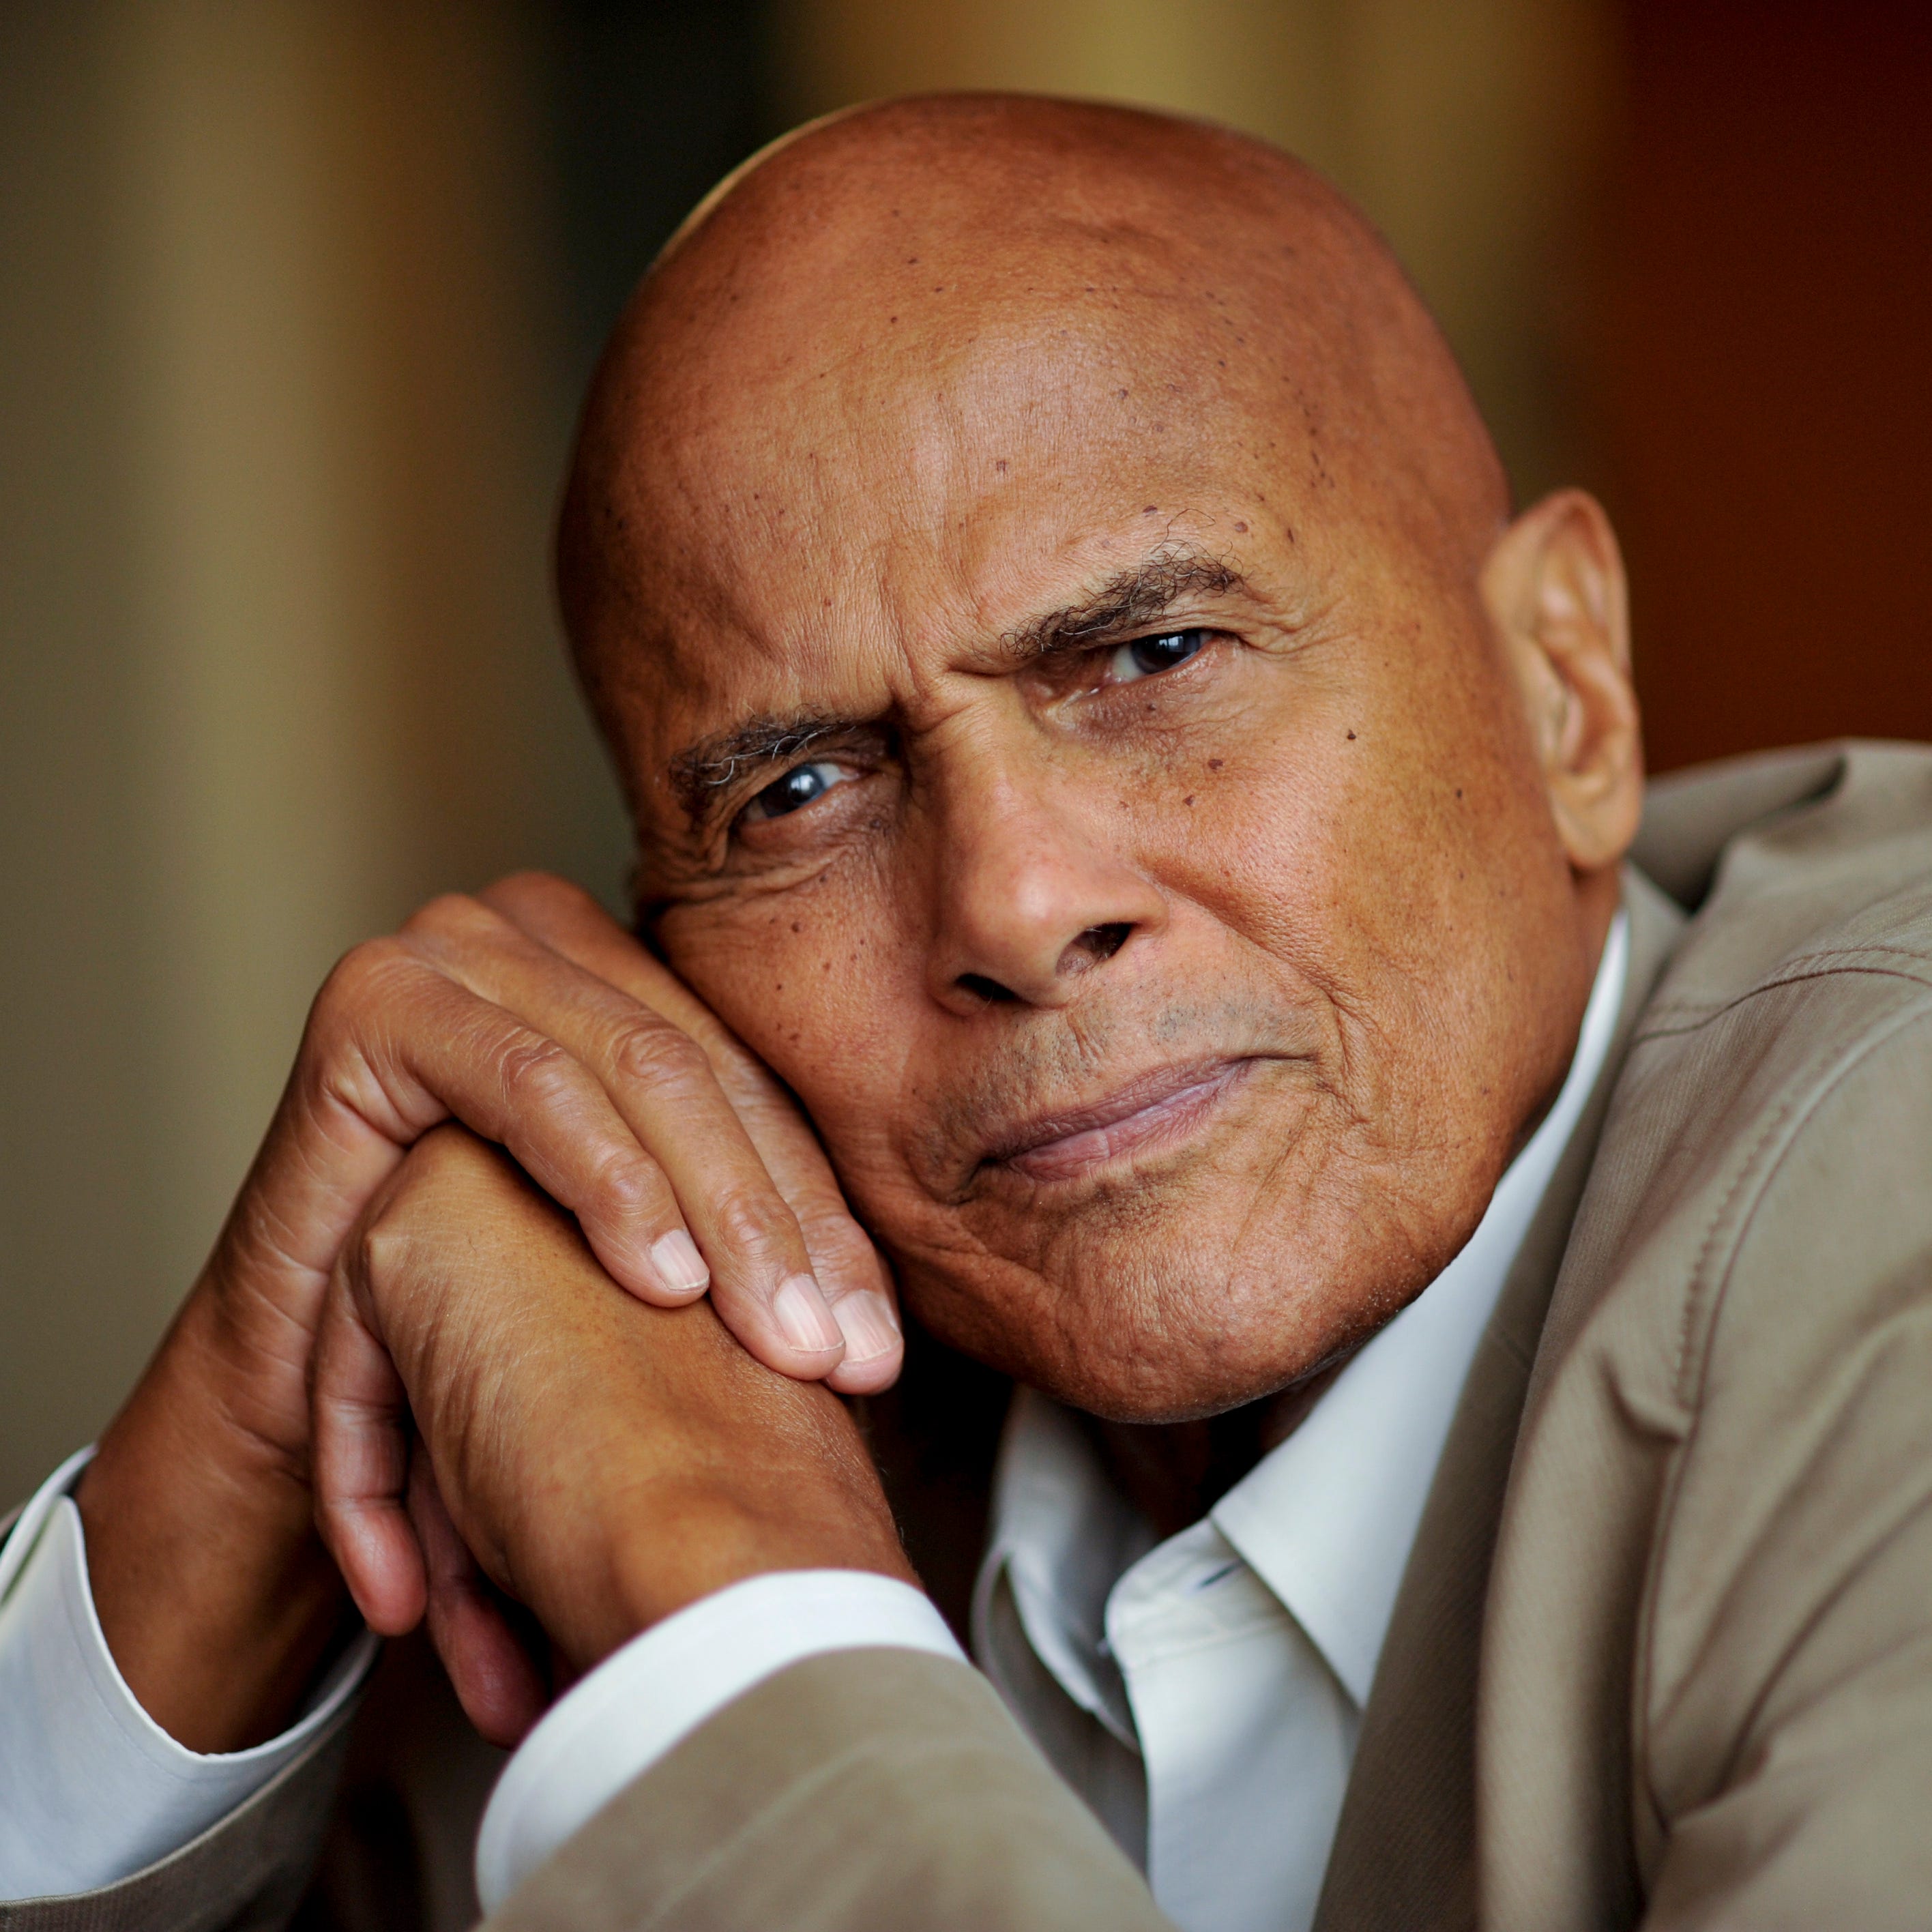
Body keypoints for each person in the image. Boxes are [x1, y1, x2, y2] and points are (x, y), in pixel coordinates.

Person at [4, 94, 1931, 1932]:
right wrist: (230, 1480)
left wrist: (724, 1588)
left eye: (1156, 654)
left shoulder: (1889, 1206)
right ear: (665, 952)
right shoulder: (661, 1339)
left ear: (1564, 691)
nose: (1013, 905)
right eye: (799, 794)